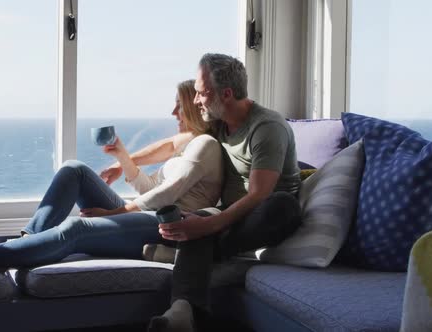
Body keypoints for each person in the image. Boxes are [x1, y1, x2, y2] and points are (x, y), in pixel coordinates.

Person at [0, 80, 224, 273]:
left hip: (166, 226)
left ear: (195, 110)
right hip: (148, 214)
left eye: (180, 107)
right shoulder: (187, 146)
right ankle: (28, 243)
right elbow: (150, 186)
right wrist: (122, 159)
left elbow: (164, 197)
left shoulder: (205, 146)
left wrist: (113, 212)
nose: (174, 113)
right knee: (73, 169)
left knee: (76, 227)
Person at [103, 54, 303, 332]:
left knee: (282, 206)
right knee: (194, 220)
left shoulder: (267, 127)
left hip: (266, 215)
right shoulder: (219, 121)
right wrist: (124, 162)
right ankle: (181, 311)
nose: (196, 101)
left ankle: (179, 255)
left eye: (201, 93)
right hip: (231, 216)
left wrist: (207, 226)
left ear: (227, 94)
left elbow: (259, 195)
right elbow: (171, 145)